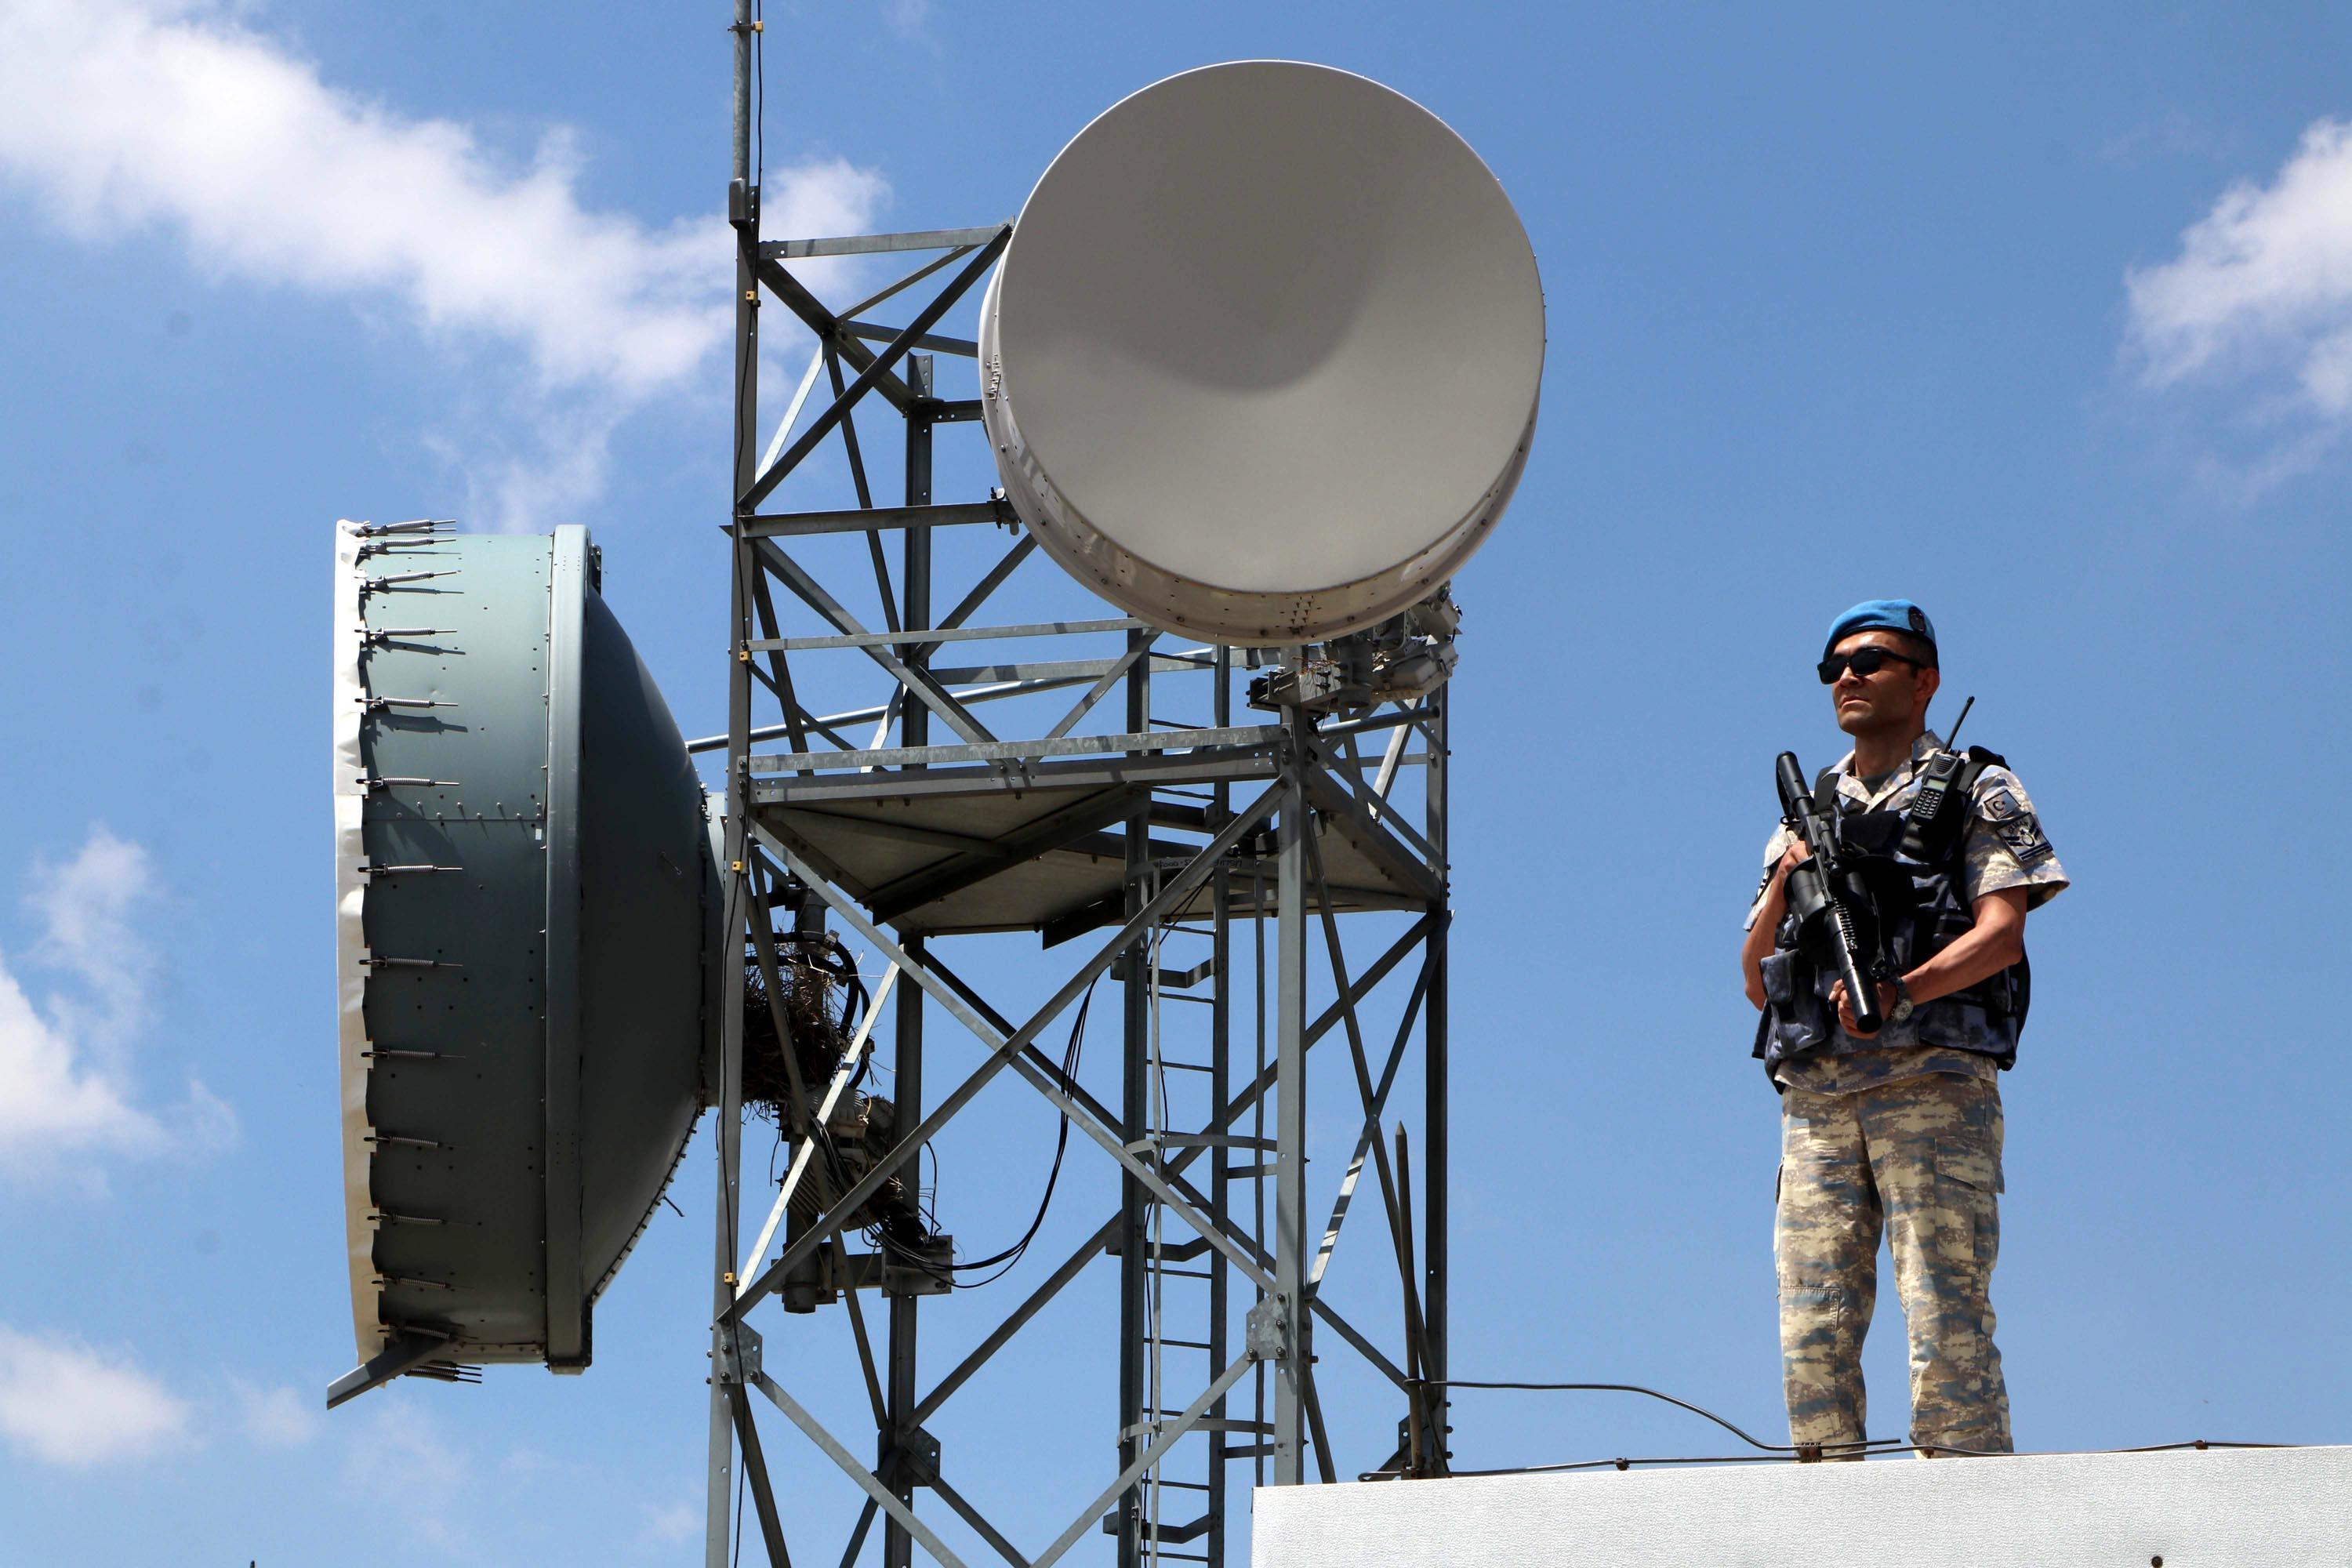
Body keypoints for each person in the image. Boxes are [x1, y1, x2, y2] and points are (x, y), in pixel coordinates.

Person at [1739, 600, 2067, 1460]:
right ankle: (1827, 1514)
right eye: (1834, 664)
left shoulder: (1974, 785)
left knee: (1945, 1305)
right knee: (1811, 1320)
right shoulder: (1806, 808)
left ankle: (1962, 1512)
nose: (1847, 675)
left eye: (1871, 660)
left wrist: (1903, 991)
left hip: (1931, 1081)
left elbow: (2001, 931)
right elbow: (1753, 978)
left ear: (1924, 680)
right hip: (1819, 1096)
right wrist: (1790, 878)